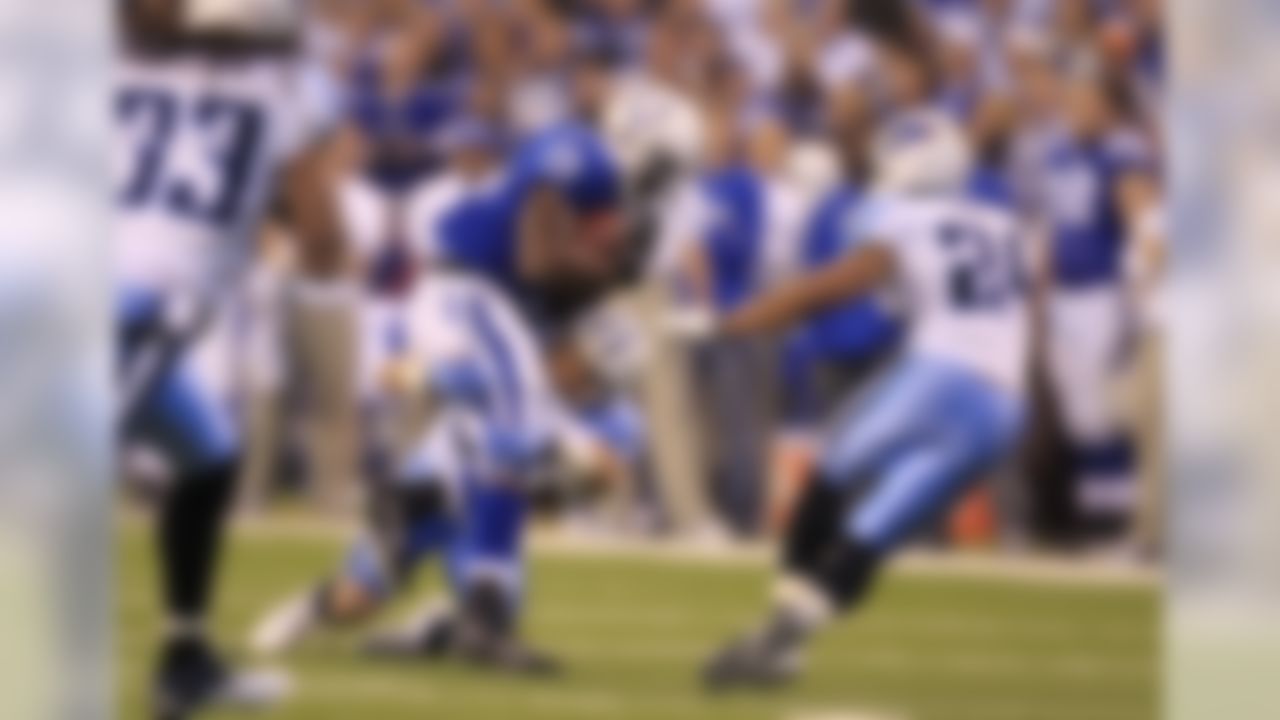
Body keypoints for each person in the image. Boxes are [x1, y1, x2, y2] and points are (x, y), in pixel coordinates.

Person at [249, 119, 656, 674]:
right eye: (575, 355)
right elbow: (410, 375)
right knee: (357, 598)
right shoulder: (513, 361)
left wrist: (567, 469)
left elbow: (574, 493)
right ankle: (318, 605)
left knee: (501, 588)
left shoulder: (613, 419)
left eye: (585, 368)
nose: (569, 368)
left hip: (486, 504)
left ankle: (448, 626)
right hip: (439, 481)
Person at [696, 109, 1030, 689]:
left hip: (941, 376)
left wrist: (745, 320)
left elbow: (835, 286)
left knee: (828, 480)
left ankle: (775, 635)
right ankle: (784, 645)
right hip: (1005, 406)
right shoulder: (1004, 225)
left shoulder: (898, 216)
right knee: (872, 532)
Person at [115, 0, 346, 715]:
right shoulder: (290, 90)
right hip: (139, 306)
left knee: (208, 458)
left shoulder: (128, 50)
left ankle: (185, 660)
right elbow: (324, 240)